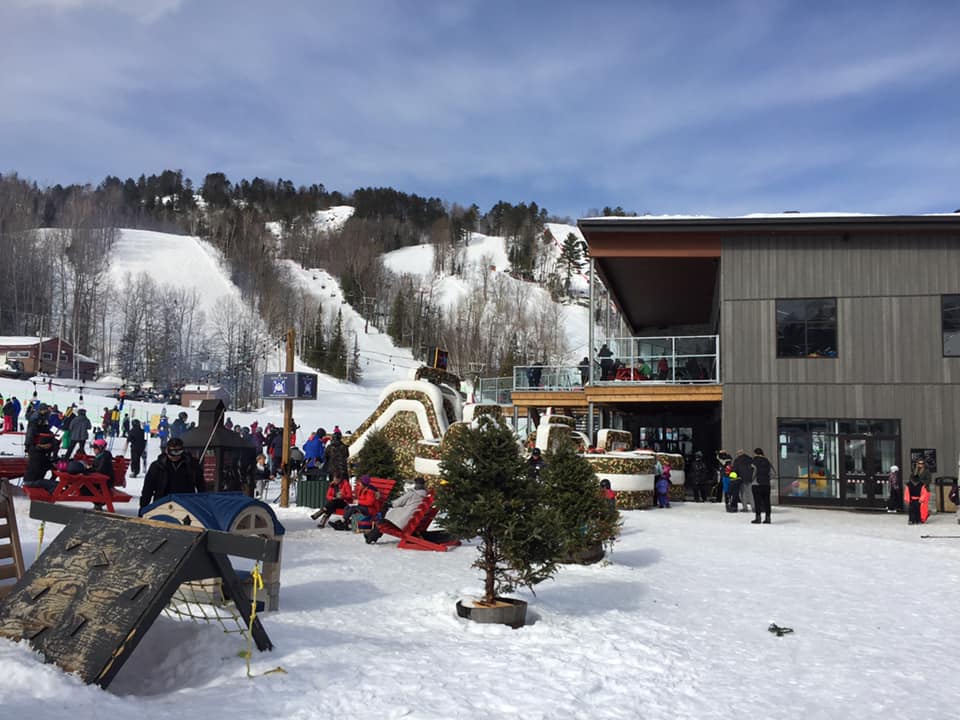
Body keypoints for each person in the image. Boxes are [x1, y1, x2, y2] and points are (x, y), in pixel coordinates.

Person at [139, 437, 205, 509]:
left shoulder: (191, 464)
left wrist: (202, 505)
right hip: (162, 503)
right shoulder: (157, 466)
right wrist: (143, 507)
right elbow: (148, 488)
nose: (175, 456)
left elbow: (201, 485)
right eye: (172, 452)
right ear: (167, 451)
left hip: (186, 504)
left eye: (178, 452)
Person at [364, 477, 429, 543]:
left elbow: (396, 503)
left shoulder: (412, 493)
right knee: (384, 522)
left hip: (403, 522)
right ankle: (371, 535)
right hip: (411, 521)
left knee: (383, 522)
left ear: (415, 484)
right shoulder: (425, 496)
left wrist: (390, 503)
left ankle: (370, 537)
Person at [23, 403, 57, 492]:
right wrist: (28, 445)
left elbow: (43, 427)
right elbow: (31, 432)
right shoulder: (35, 418)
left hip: (37, 446)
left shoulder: (42, 417)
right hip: (32, 481)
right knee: (53, 485)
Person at [750, 448, 775, 524]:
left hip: (757, 484)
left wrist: (753, 479)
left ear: (755, 453)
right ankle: (768, 518)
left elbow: (753, 473)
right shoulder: (767, 462)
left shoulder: (754, 461)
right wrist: (767, 479)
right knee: (767, 501)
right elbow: (773, 473)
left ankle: (758, 518)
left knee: (757, 502)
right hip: (766, 484)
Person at [731, 449, 753, 513]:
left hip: (741, 479)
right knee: (751, 493)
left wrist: (734, 478)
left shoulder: (737, 460)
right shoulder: (750, 459)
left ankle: (745, 508)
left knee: (743, 494)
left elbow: (735, 470)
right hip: (750, 478)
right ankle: (754, 507)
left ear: (738, 454)